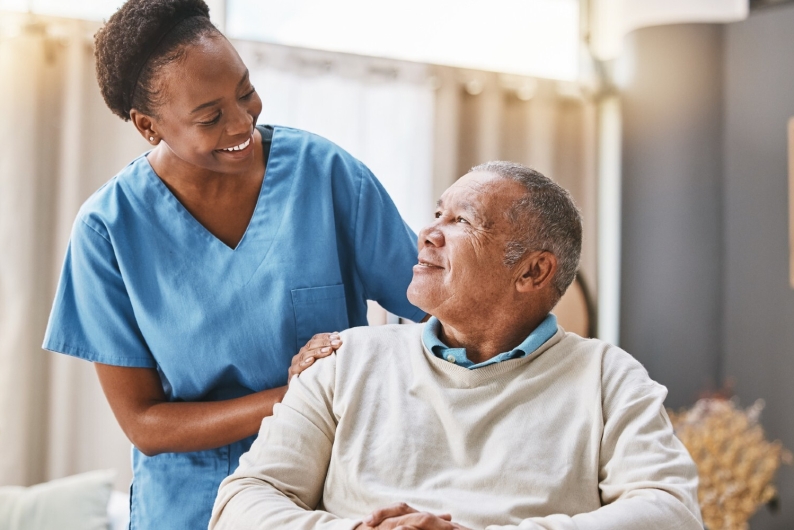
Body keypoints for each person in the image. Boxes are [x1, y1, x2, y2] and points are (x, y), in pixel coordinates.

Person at [42, 0, 426, 527]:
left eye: (245, 91)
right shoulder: (107, 230)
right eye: (210, 116)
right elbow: (145, 424)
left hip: (331, 498)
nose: (242, 121)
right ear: (148, 126)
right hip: (191, 508)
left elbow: (437, 307)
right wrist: (299, 396)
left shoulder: (326, 175)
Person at [209, 161, 704, 530]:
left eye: (461, 222)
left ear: (532, 271)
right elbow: (241, 502)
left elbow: (672, 512)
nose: (427, 234)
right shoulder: (345, 359)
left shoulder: (606, 377)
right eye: (437, 214)